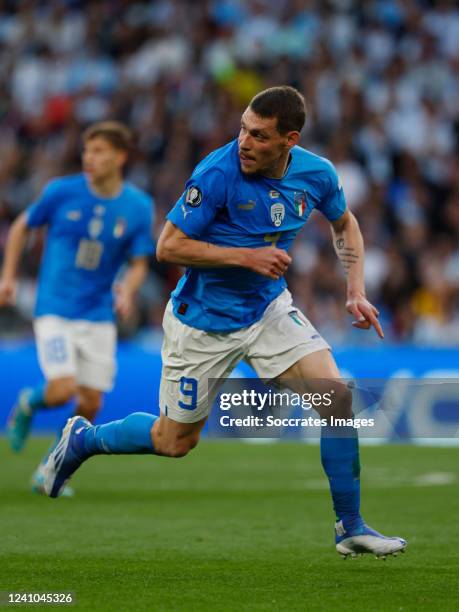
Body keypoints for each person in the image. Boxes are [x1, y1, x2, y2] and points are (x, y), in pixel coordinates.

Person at [43, 87, 406, 558]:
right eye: (242, 129)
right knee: (174, 442)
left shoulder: (317, 174)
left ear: (288, 140)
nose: (244, 142)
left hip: (267, 311)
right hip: (203, 324)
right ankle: (83, 440)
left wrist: (355, 289)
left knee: (335, 397)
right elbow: (167, 247)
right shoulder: (217, 172)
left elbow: (344, 223)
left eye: (258, 135)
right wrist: (246, 256)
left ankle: (349, 526)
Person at [0, 121, 154, 495]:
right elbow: (22, 226)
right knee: (60, 389)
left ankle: (50, 468)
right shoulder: (62, 192)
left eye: (99, 151)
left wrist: (128, 291)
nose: (90, 158)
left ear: (120, 156)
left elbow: (138, 262)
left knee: (90, 402)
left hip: (99, 313)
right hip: (54, 307)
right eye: (87, 150)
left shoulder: (137, 206)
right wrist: (8, 276)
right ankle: (27, 402)